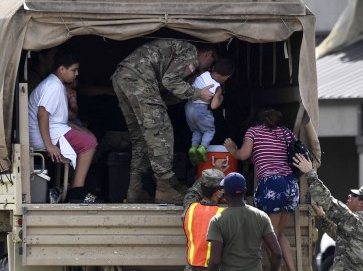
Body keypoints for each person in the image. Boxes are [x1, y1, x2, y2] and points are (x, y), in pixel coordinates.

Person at [111, 39, 217, 205]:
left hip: (122, 77)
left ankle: (134, 190)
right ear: (209, 54)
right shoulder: (191, 52)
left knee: (141, 138)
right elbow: (170, 81)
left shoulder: (179, 53)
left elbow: (166, 92)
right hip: (139, 77)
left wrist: (187, 92)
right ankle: (164, 188)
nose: (207, 71)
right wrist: (197, 93)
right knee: (161, 131)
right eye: (210, 65)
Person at [223, 109, 303, 271]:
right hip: (291, 184)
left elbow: (243, 155)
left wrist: (232, 148)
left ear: (256, 121)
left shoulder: (253, 132)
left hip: (271, 184)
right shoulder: (285, 132)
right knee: (280, 233)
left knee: (270, 238)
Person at [28, 48, 98, 202]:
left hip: (51, 130)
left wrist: (82, 129)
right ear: (61, 69)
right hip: (43, 136)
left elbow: (60, 119)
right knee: (89, 143)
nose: (76, 74)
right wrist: (49, 146)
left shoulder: (55, 84)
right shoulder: (53, 86)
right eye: (74, 70)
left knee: (87, 136)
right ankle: (77, 192)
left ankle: (76, 189)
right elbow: (42, 114)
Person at [186, 59, 235, 165]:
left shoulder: (204, 73)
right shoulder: (217, 86)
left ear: (214, 68)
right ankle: (202, 148)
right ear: (227, 77)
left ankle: (193, 148)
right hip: (201, 110)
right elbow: (213, 106)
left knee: (196, 130)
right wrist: (220, 97)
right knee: (210, 130)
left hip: (189, 107)